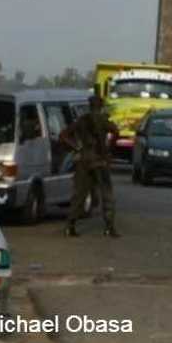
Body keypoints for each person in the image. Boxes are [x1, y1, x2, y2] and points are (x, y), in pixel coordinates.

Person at [60, 96, 120, 238]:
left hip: (84, 159)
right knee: (107, 194)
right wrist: (108, 149)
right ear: (101, 106)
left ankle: (70, 226)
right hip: (100, 160)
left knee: (79, 194)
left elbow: (63, 135)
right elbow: (116, 132)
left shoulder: (82, 120)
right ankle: (109, 227)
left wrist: (77, 148)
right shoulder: (103, 120)